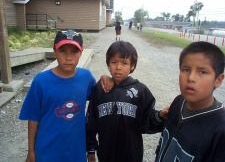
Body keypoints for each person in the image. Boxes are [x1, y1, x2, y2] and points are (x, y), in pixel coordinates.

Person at [19, 29, 113, 162]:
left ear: (81, 52)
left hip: (76, 151)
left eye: (74, 52)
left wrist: (104, 77)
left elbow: (98, 102)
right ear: (54, 51)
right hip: (46, 152)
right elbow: (33, 119)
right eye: (62, 51)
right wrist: (31, 151)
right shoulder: (40, 81)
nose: (68, 58)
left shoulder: (86, 78)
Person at [155, 41, 225, 162]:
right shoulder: (179, 102)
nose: (191, 78)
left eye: (202, 72)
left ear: (218, 80)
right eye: (185, 69)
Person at [86, 41, 169, 162]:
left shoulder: (140, 90)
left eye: (124, 63)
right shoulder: (100, 89)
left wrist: (160, 115)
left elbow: (147, 120)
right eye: (114, 62)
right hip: (106, 152)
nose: (118, 67)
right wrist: (91, 148)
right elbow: (91, 120)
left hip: (131, 153)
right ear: (108, 63)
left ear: (132, 66)